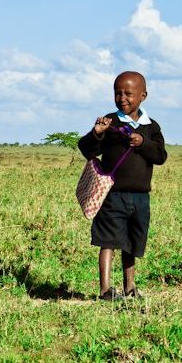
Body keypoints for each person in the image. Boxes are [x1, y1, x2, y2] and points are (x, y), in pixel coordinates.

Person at [77, 71, 167, 300]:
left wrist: (143, 142)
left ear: (143, 96)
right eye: (118, 93)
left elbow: (160, 156)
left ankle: (130, 287)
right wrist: (96, 133)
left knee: (131, 243)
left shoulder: (151, 127)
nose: (122, 98)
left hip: (140, 197)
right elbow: (87, 150)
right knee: (108, 241)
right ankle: (106, 290)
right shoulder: (110, 122)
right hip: (112, 195)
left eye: (128, 93)